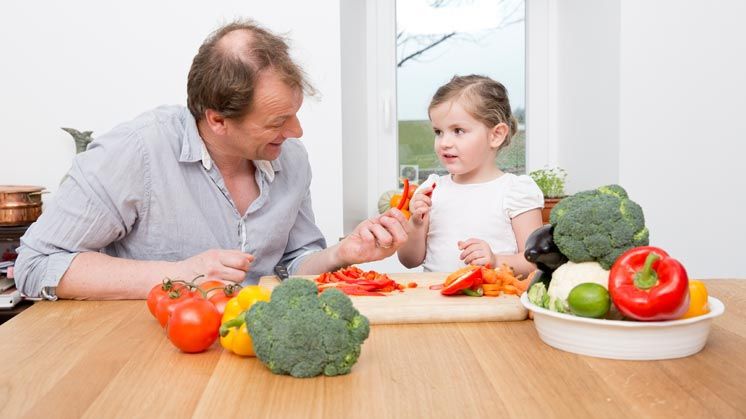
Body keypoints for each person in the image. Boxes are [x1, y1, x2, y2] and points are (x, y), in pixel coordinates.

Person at [15, 20, 409, 300]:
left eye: (295, 113)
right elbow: (36, 264)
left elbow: (292, 264)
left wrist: (341, 254)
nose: (297, 132)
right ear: (217, 120)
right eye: (277, 121)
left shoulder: (290, 159)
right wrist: (181, 273)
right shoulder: (137, 152)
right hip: (146, 354)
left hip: (249, 346)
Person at [397, 75, 543, 276]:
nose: (444, 142)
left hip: (492, 302)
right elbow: (409, 260)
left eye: (458, 130)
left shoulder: (516, 191)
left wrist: (495, 260)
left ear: (495, 135)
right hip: (434, 300)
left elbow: (535, 262)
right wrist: (416, 223)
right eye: (438, 132)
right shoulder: (431, 190)